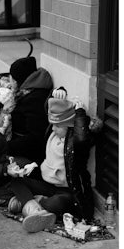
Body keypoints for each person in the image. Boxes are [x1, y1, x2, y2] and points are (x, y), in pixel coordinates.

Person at [8, 87, 96, 233]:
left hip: (67, 192)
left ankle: (31, 203)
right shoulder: (52, 134)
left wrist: (80, 112)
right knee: (16, 179)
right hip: (47, 184)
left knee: (58, 203)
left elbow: (82, 137)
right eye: (53, 124)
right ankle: (34, 207)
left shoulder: (74, 142)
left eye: (58, 126)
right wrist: (58, 93)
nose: (53, 128)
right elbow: (49, 111)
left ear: (69, 126)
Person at [7, 56, 53, 165]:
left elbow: (34, 139)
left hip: (30, 157)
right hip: (20, 145)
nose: (10, 81)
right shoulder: (30, 91)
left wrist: (6, 147)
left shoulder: (34, 100)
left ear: (20, 80)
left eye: (12, 78)